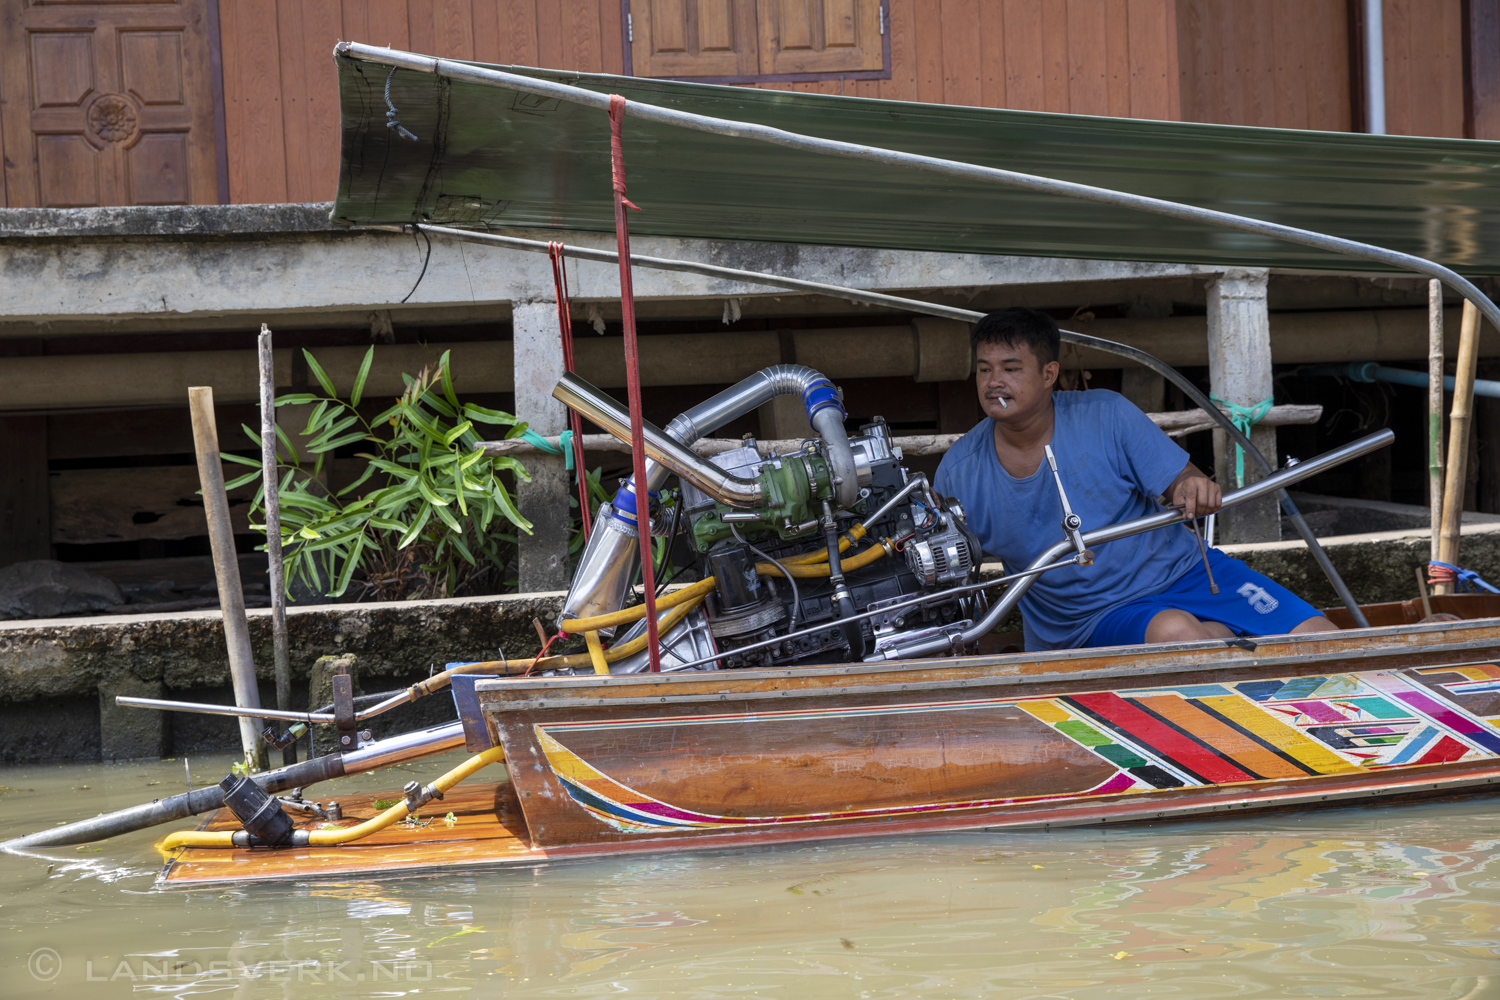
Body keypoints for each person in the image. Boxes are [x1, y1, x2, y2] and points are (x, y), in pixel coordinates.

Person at [934, 307, 1336, 651]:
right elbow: (941, 572)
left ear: (1048, 373)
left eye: (1011, 368)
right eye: (984, 370)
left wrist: (1192, 487)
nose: (993, 383)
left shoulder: (1107, 414)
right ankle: (1216, 639)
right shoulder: (959, 472)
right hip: (1090, 616)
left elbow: (1181, 477)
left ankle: (1218, 635)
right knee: (1175, 631)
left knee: (1323, 640)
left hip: (1189, 571)